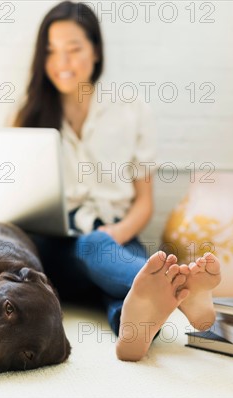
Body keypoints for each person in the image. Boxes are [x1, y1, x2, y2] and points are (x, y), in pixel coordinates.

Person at [13, 1, 221, 361]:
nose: (62, 62)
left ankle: (135, 329)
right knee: (100, 250)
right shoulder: (29, 115)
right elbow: (17, 200)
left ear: (95, 50)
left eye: (73, 49)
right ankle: (183, 288)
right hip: (58, 249)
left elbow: (144, 202)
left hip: (119, 236)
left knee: (130, 293)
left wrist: (118, 234)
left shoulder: (130, 109)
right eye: (51, 52)